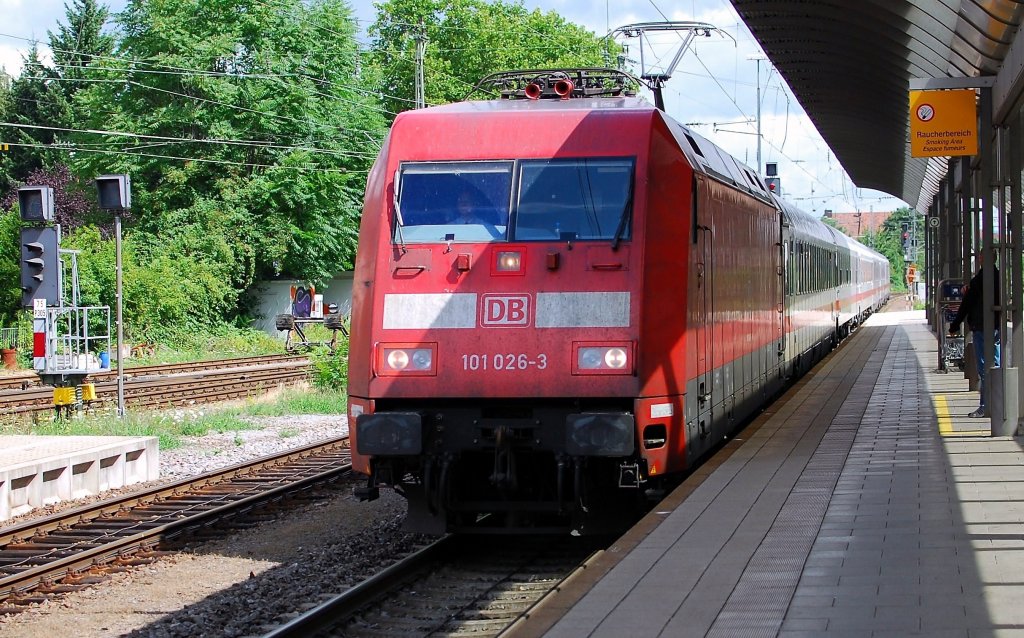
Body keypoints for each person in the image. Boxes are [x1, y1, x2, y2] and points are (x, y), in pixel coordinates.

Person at [949, 254, 1001, 418]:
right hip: (996, 328)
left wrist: (955, 324)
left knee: (985, 368)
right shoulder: (999, 276)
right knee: (997, 365)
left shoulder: (979, 280)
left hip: (981, 327)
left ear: (981, 259)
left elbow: (967, 303)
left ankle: (986, 406)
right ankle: (999, 404)